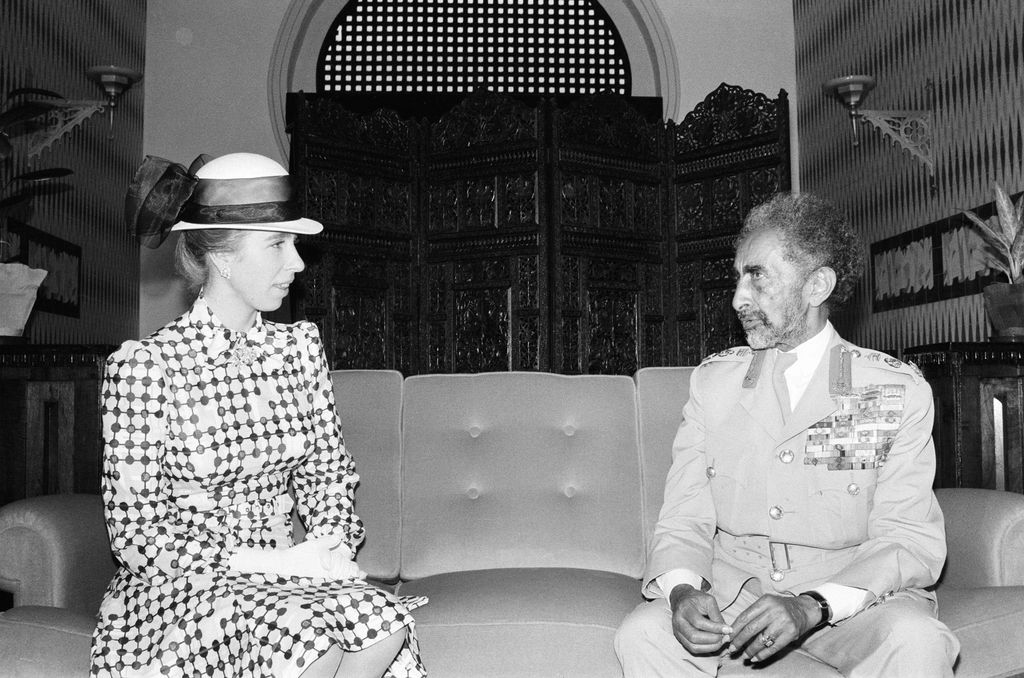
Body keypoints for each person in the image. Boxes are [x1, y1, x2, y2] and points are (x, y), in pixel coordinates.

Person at [90, 152, 427, 678]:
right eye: (277, 244)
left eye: (294, 244)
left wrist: (329, 543)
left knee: (382, 623)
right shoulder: (146, 367)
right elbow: (136, 533)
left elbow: (326, 473)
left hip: (285, 581)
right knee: (312, 639)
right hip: (185, 589)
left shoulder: (298, 349)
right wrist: (268, 564)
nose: (297, 263)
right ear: (222, 257)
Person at [614, 192, 959, 676]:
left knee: (917, 640)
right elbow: (684, 517)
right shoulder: (714, 385)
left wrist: (810, 605)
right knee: (643, 632)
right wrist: (682, 590)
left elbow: (906, 538)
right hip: (737, 599)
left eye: (757, 276)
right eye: (737, 277)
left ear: (817, 284)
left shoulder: (889, 391)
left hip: (854, 602)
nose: (738, 298)